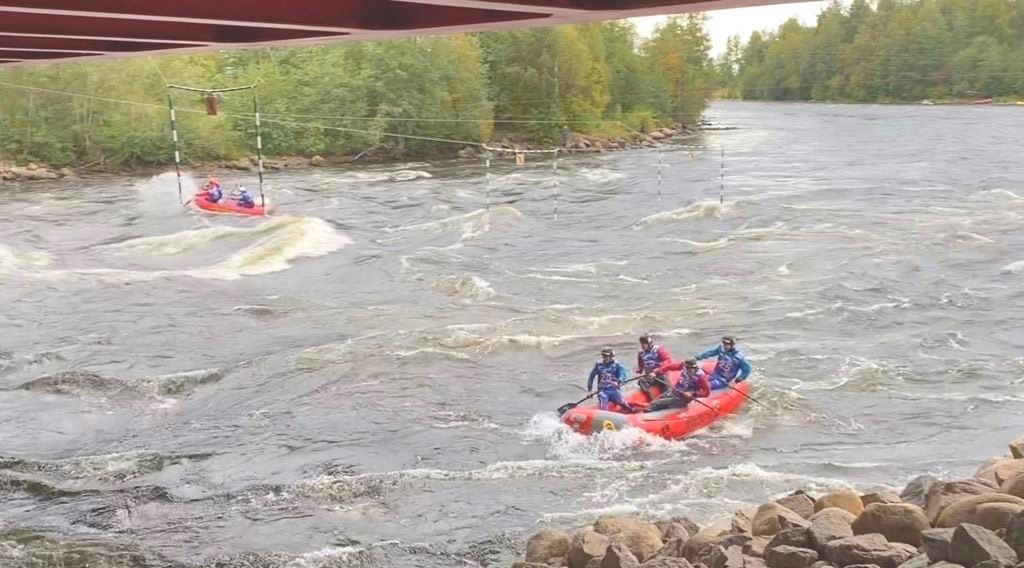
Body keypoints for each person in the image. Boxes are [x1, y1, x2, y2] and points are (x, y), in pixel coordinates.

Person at [645, 357, 710, 412]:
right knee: (654, 402)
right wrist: (656, 373)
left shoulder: (701, 377)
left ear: (694, 367)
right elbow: (669, 366)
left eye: (689, 368)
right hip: (675, 391)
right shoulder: (683, 367)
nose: (686, 370)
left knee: (655, 404)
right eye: (686, 367)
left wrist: (693, 393)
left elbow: (706, 392)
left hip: (683, 398)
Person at [586, 347, 635, 413]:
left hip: (614, 390)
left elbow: (623, 374)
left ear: (611, 356)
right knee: (603, 406)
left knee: (622, 402)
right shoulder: (598, 365)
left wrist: (619, 381)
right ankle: (603, 418)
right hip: (603, 391)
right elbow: (591, 377)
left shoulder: (617, 365)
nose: (605, 358)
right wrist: (590, 391)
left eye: (607, 356)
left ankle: (631, 411)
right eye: (603, 356)